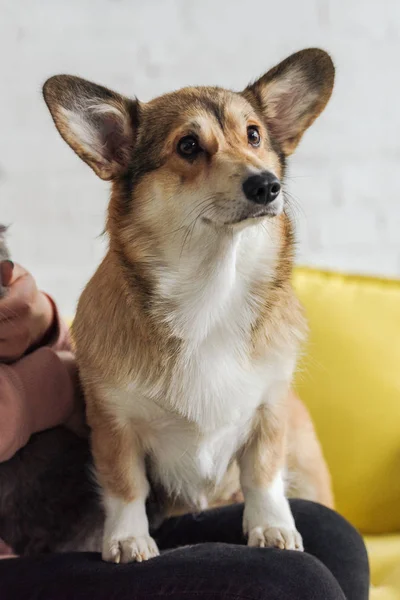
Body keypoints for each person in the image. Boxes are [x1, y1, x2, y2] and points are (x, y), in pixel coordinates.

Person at [0, 261, 370, 599]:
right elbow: (78, 387)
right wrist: (46, 383)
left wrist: (43, 325)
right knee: (291, 584)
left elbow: (87, 398)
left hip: (82, 519)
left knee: (331, 538)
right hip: (16, 558)